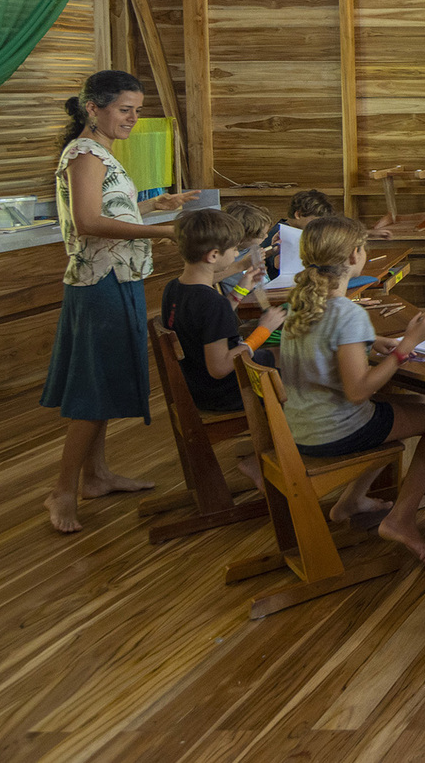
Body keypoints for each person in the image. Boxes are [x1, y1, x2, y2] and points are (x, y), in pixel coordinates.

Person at [41, 69, 199, 534]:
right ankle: (63, 489)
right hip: (99, 285)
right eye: (125, 110)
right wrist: (165, 232)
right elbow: (89, 221)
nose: (133, 118)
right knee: (94, 390)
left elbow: (109, 209)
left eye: (137, 109)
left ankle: (97, 475)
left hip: (120, 278)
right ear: (94, 108)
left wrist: (155, 206)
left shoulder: (102, 152)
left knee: (104, 383)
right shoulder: (86, 154)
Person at [276, 215, 425, 564]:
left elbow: (323, 351)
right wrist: (407, 346)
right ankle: (401, 518)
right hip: (334, 431)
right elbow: (359, 391)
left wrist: (369, 343)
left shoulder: (299, 304)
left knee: (411, 403)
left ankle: (352, 502)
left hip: (297, 428)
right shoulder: (347, 313)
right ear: (355, 255)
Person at [160, 209, 283, 488]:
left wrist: (240, 290)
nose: (236, 256)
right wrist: (263, 331)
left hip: (195, 384)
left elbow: (208, 327)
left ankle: (265, 446)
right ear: (213, 256)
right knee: (291, 369)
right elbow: (220, 367)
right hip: (223, 392)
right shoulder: (209, 303)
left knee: (279, 357)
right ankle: (261, 456)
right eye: (233, 250)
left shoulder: (175, 289)